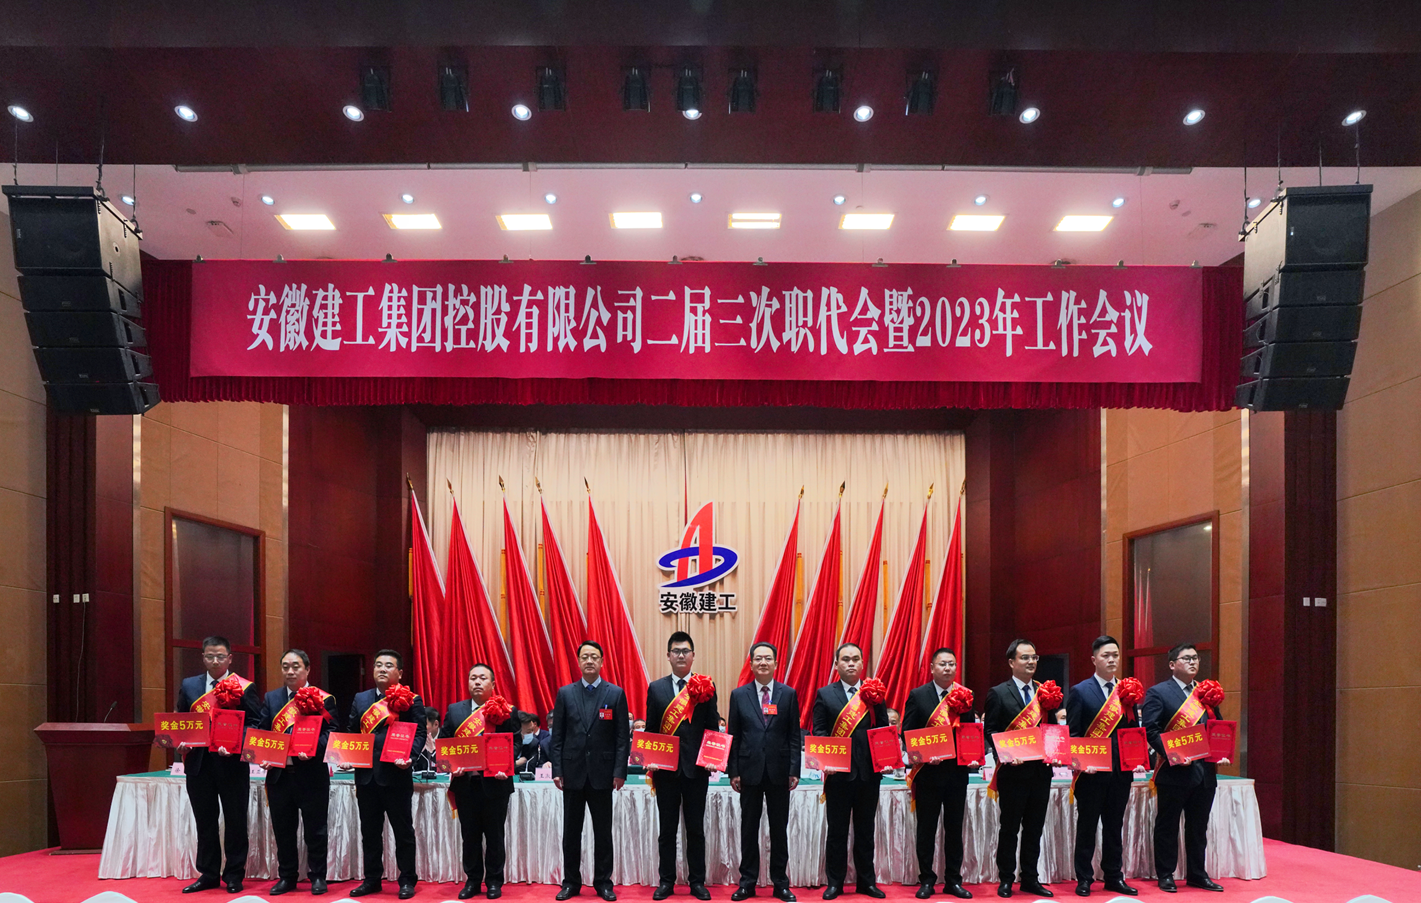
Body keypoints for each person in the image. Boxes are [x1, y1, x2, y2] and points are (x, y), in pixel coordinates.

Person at [175, 635, 262, 894]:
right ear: (203, 657)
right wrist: (180, 744)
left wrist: (235, 743)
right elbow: (181, 720)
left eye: (220, 656)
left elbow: (255, 724)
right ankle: (208, 874)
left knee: (235, 821)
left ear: (230, 658)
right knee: (205, 821)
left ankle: (234, 875)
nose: (215, 661)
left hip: (231, 764)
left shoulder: (244, 687)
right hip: (198, 765)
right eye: (210, 656)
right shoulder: (189, 685)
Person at [551, 641, 631, 902]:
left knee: (603, 833)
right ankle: (571, 882)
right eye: (584, 656)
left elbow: (622, 738)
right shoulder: (565, 693)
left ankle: (603, 883)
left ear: (602, 662)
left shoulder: (615, 694)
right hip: (572, 773)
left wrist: (619, 771)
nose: (589, 661)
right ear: (578, 661)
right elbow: (557, 736)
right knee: (571, 833)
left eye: (594, 657)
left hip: (603, 774)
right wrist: (557, 769)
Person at [1142, 643, 1223, 894]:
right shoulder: (1158, 692)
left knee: (1198, 827)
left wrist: (1222, 751)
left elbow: (1217, 726)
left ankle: (1197, 874)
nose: (1192, 662)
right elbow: (1151, 730)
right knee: (1167, 826)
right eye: (1186, 658)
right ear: (1172, 664)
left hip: (1204, 772)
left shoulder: (1205, 692)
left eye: (1195, 658)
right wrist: (1173, 754)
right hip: (1174, 771)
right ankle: (1166, 874)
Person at [812, 642, 890, 900]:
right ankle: (835, 883)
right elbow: (819, 731)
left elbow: (883, 730)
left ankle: (866, 882)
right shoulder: (825, 694)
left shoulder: (874, 693)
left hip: (869, 775)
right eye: (845, 659)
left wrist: (887, 756)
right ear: (837, 665)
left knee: (866, 832)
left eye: (855, 659)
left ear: (862, 663)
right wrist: (826, 761)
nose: (851, 663)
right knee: (837, 832)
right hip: (838, 776)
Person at [645, 631, 719, 901]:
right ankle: (666, 881)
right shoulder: (656, 688)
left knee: (696, 830)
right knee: (667, 830)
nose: (680, 655)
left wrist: (713, 758)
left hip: (696, 771)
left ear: (693, 655)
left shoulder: (706, 685)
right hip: (666, 772)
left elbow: (712, 728)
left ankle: (697, 882)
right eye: (676, 651)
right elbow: (651, 729)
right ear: (668, 656)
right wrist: (649, 758)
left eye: (685, 651)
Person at [984, 639, 1060, 899]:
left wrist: (1057, 753)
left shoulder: (1045, 692)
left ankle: (1030, 878)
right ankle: (1006, 879)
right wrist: (1004, 755)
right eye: (1025, 657)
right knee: (1009, 828)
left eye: (1034, 657)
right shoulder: (998, 693)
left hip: (1041, 772)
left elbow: (1052, 729)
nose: (1031, 662)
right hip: (1012, 773)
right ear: (1011, 662)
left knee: (1034, 828)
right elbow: (990, 730)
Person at [347, 649, 426, 899]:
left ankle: (407, 879)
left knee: (403, 832)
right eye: (378, 664)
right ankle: (372, 879)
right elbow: (352, 732)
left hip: (396, 776)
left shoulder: (412, 700)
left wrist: (410, 756)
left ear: (399, 673)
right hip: (366, 777)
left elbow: (420, 733)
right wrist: (346, 756)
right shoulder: (361, 699)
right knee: (369, 833)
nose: (382, 669)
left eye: (388, 665)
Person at [1065, 636, 1140, 898]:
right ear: (1094, 659)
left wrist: (1137, 758)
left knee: (1114, 827)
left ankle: (1113, 876)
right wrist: (1081, 763)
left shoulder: (1127, 691)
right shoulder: (1080, 691)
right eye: (1106, 655)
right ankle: (1084, 878)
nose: (1111, 660)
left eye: (1115, 655)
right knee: (1087, 827)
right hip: (1091, 774)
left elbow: (1133, 732)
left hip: (1121, 772)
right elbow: (1073, 733)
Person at [258, 649, 337, 896]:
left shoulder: (324, 699)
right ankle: (287, 877)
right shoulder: (272, 698)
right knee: (283, 830)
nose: (290, 671)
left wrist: (312, 749)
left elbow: (332, 733)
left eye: (296, 666)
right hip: (280, 776)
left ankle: (318, 876)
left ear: (307, 669)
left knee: (316, 830)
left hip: (312, 775)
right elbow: (262, 731)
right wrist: (263, 754)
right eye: (285, 667)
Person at [727, 641, 801, 903]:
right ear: (751, 664)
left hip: (780, 772)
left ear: (776, 663)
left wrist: (794, 769)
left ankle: (780, 884)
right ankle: (747, 883)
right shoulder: (739, 695)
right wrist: (733, 771)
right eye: (758, 658)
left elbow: (794, 736)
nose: (763, 662)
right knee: (749, 829)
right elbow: (733, 735)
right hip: (749, 772)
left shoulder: (788, 694)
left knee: (779, 830)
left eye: (768, 658)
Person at [441, 663, 521, 900]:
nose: (477, 682)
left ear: (493, 684)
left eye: (482, 678)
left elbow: (516, 743)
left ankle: (494, 881)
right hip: (465, 785)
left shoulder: (506, 710)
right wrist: (450, 766)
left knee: (495, 836)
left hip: (496, 784)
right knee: (470, 836)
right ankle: (473, 881)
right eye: (473, 678)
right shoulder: (455, 711)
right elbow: (444, 744)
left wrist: (505, 765)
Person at [902, 647, 976, 900]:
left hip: (957, 774)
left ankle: (953, 880)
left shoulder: (964, 695)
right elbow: (907, 733)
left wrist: (974, 756)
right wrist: (922, 754)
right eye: (942, 664)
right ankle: (926, 879)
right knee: (927, 829)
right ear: (932, 668)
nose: (947, 668)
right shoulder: (918, 695)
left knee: (954, 829)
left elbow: (971, 732)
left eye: (952, 664)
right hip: (928, 775)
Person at [413, 708, 442, 772]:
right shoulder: (417, 738)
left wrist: (434, 752)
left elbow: (447, 767)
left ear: (436, 724)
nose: (420, 728)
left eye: (424, 725)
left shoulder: (446, 737)